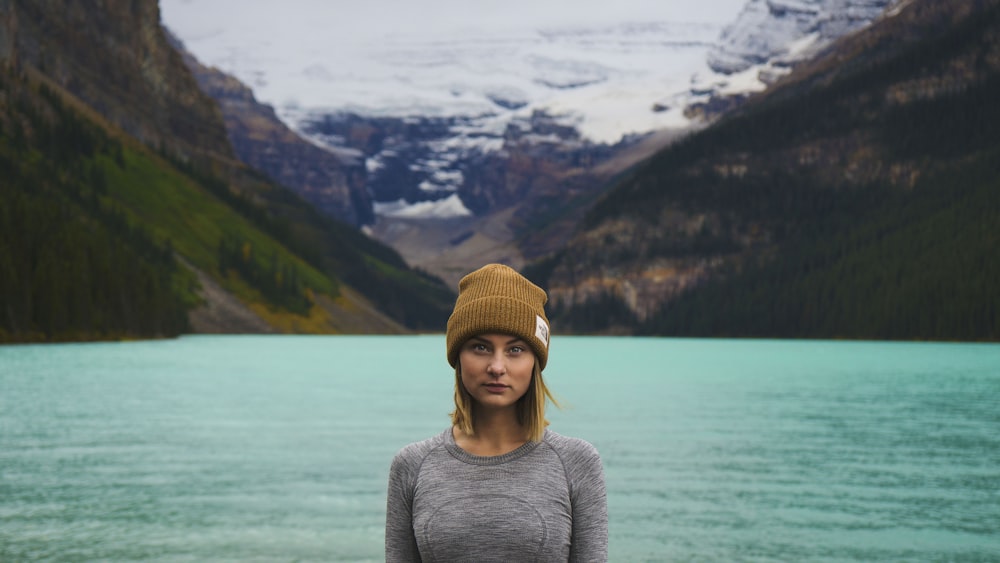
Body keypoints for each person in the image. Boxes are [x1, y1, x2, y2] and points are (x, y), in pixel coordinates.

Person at [385, 263, 608, 562]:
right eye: (480, 347)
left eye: (515, 350)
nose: (497, 367)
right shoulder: (411, 465)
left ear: (535, 362)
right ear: (458, 357)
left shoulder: (577, 462)